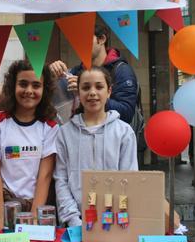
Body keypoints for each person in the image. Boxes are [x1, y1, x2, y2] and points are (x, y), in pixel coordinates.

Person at [54, 67, 137, 228]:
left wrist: (120, 218)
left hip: (115, 223)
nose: (92, 93)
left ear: (109, 91)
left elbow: (130, 178)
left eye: (99, 87)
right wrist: (73, 220)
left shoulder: (124, 132)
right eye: (85, 88)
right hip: (75, 223)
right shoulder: (64, 133)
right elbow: (61, 179)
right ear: (78, 92)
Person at [0, 60, 58, 230]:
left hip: (36, 208)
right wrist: (0, 218)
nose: (29, 91)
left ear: (44, 90)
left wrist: (33, 218)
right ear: (12, 86)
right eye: (23, 84)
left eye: (36, 85)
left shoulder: (50, 127)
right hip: (2, 206)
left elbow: (45, 176)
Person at [49, 23, 140, 124]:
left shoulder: (122, 71)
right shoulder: (76, 71)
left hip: (111, 137)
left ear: (101, 39)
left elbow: (126, 114)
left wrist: (90, 94)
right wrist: (51, 74)